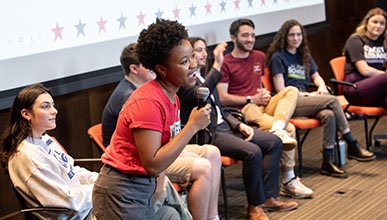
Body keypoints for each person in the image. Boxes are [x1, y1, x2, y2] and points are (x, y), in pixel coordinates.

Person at [91, 18, 216, 220]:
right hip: (122, 191)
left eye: (192, 56)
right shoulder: (148, 101)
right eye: (184, 62)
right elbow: (153, 164)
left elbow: (162, 153)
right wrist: (192, 126)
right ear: (162, 69)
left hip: (142, 187)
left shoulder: (171, 96)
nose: (194, 64)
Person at [178, 37, 299, 220]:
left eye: (204, 50)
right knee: (253, 152)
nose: (204, 54)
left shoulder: (202, 78)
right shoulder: (185, 83)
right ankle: (254, 207)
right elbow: (202, 93)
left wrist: (239, 124)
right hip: (210, 134)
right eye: (198, 51)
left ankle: (268, 197)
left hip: (227, 126)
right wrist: (218, 64)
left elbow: (222, 109)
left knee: (274, 141)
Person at [266, 19, 376, 179]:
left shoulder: (303, 55)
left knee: (329, 115)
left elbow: (317, 77)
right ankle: (351, 142)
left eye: (299, 35)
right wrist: (310, 95)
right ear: (284, 37)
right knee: (332, 101)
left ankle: (327, 161)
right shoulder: (278, 57)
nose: (296, 38)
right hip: (289, 103)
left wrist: (322, 87)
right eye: (292, 35)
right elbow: (281, 90)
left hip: (307, 100)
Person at [217, 18, 313, 199]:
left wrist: (264, 93)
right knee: (289, 127)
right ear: (233, 37)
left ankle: (277, 127)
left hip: (262, 104)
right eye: (245, 35)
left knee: (291, 90)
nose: (250, 39)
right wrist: (250, 98)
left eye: (252, 35)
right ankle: (289, 180)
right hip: (242, 109)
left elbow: (258, 83)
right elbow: (222, 97)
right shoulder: (226, 62)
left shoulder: (259, 56)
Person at [0, 83, 97, 220]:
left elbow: (71, 171)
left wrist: (101, 180)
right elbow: (68, 201)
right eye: (46, 106)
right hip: (78, 215)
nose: (54, 111)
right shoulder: (28, 156)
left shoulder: (44, 138)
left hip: (85, 206)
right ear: (26, 114)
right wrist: (101, 189)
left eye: (52, 105)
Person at [343, 7, 387, 107]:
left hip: (379, 87)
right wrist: (384, 75)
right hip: (355, 87)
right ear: (366, 23)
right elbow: (365, 70)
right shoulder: (355, 40)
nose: (378, 26)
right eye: (374, 22)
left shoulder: (384, 41)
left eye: (382, 23)